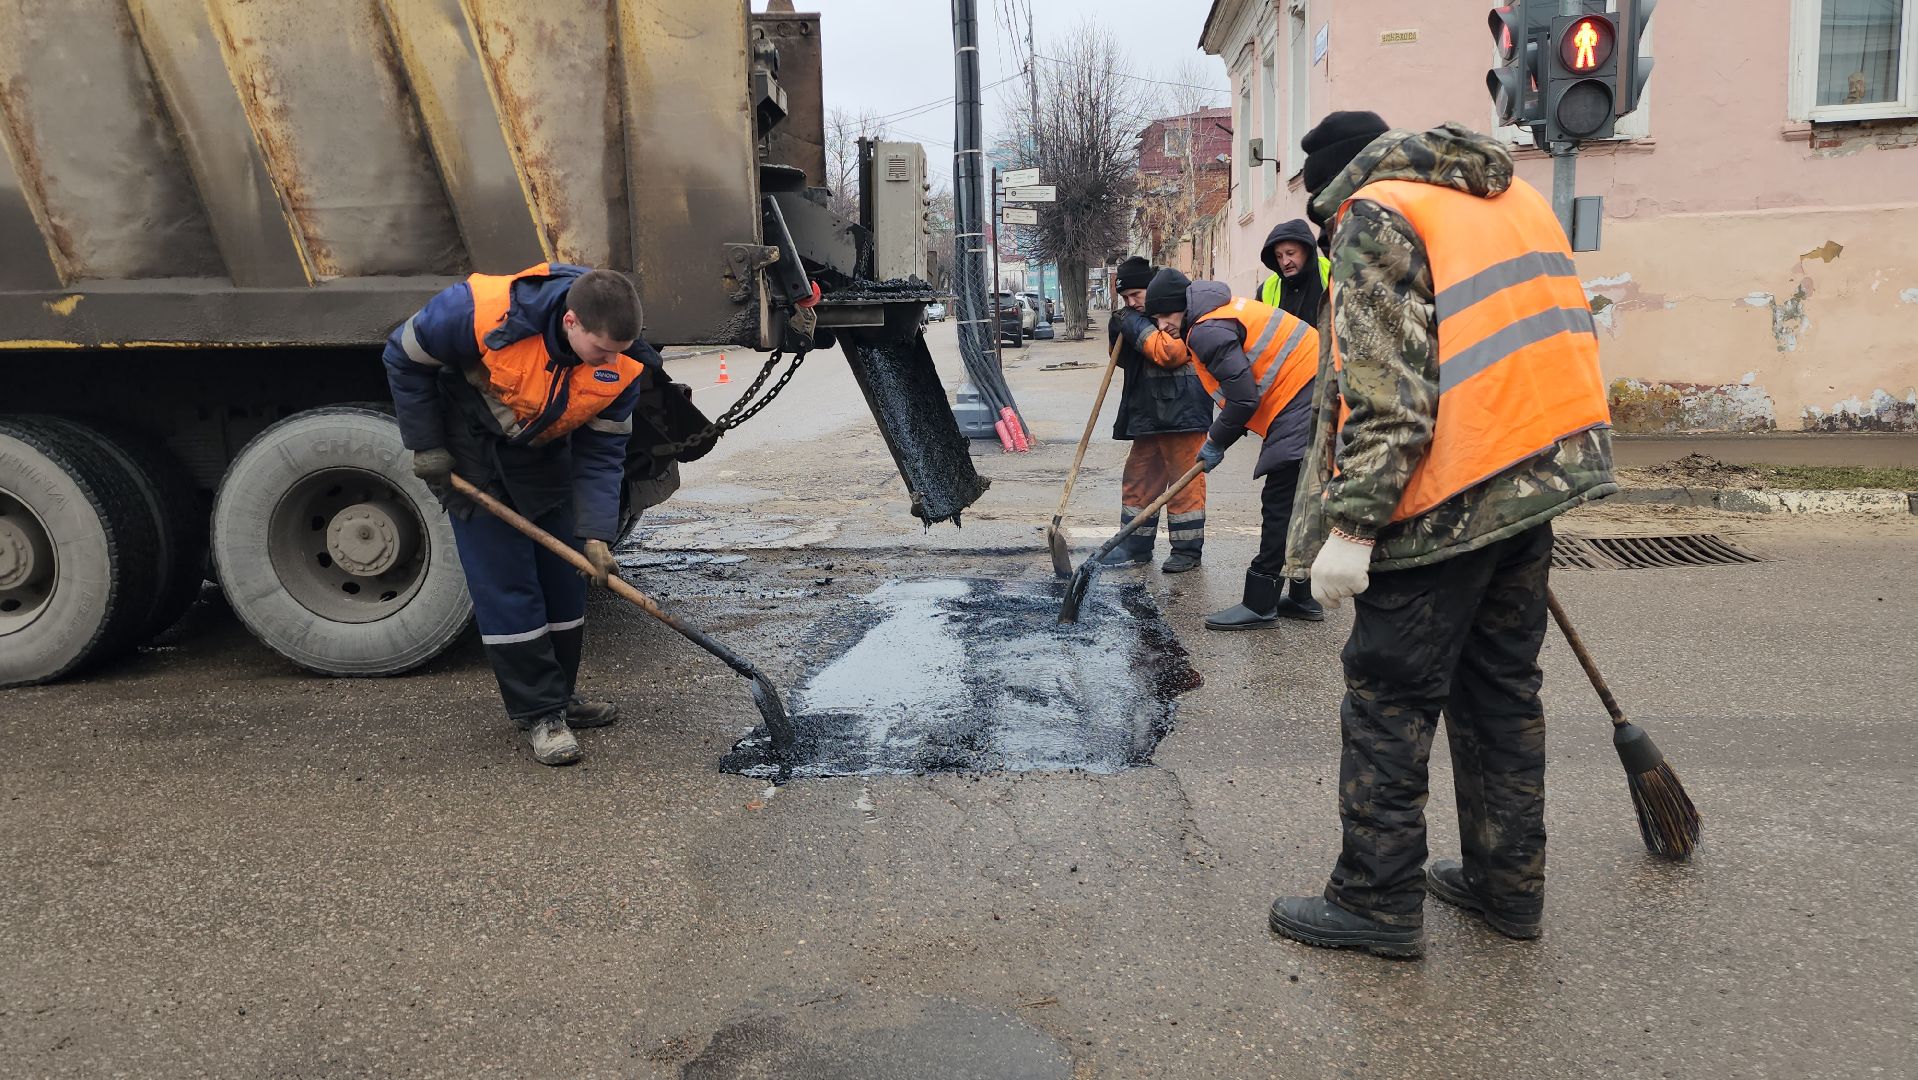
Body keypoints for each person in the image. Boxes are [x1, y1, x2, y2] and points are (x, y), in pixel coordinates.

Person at [1266, 112, 1617, 958]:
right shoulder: (1512, 196)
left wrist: (1351, 525)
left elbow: (1386, 393)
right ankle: (1508, 886)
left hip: (1444, 494)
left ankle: (1374, 902)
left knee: (1390, 697)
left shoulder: (1377, 216)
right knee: (1501, 692)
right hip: (1535, 474)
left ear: (1334, 181)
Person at [384, 263, 655, 767]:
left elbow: (601, 454)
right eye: (602, 349)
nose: (611, 360)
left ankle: (562, 697)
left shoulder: (624, 365)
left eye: (618, 351)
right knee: (509, 586)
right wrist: (425, 446)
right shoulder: (479, 311)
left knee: (564, 577)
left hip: (541, 455)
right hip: (470, 456)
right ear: (571, 322)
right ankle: (540, 714)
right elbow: (402, 354)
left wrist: (596, 534)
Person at [1117, 268, 1322, 629]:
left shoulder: (1207, 329)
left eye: (1164, 317)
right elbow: (1247, 384)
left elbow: (1243, 399)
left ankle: (1260, 603)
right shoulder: (1216, 312)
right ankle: (1302, 597)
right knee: (1296, 501)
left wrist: (1215, 441)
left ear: (1179, 308)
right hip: (1312, 389)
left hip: (1306, 397)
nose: (1163, 327)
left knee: (1279, 500)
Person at [1102, 256, 1215, 573]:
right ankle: (1134, 544)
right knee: (1138, 481)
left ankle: (1187, 551)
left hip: (1183, 412)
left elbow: (1169, 353)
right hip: (1149, 414)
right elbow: (1121, 359)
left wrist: (1135, 325)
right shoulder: (1136, 318)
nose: (1131, 303)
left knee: (1185, 484)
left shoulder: (1177, 311)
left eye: (1136, 295)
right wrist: (1119, 329)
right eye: (1125, 299)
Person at [1255, 219, 1331, 325]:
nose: (1285, 262)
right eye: (1279, 256)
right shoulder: (1266, 289)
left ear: (1307, 250)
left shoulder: (1333, 273)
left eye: (1290, 253)